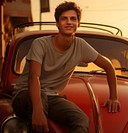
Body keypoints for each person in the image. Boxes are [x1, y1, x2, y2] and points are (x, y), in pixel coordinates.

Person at [12, 1, 121, 133]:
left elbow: (108, 66)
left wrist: (113, 97)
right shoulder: (40, 44)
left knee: (81, 119)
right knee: (40, 100)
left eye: (73, 19)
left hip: (51, 97)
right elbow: (33, 76)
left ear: (78, 23)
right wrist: (38, 111)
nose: (69, 22)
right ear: (57, 23)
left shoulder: (80, 46)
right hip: (26, 93)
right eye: (64, 19)